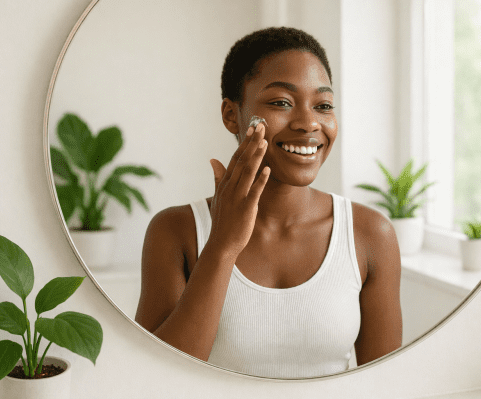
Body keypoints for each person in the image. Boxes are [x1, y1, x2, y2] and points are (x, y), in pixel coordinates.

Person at [135, 27, 402, 379]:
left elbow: (386, 386)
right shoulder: (175, 231)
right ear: (232, 114)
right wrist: (222, 247)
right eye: (281, 103)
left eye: (323, 106)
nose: (309, 123)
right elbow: (154, 379)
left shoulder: (369, 234)